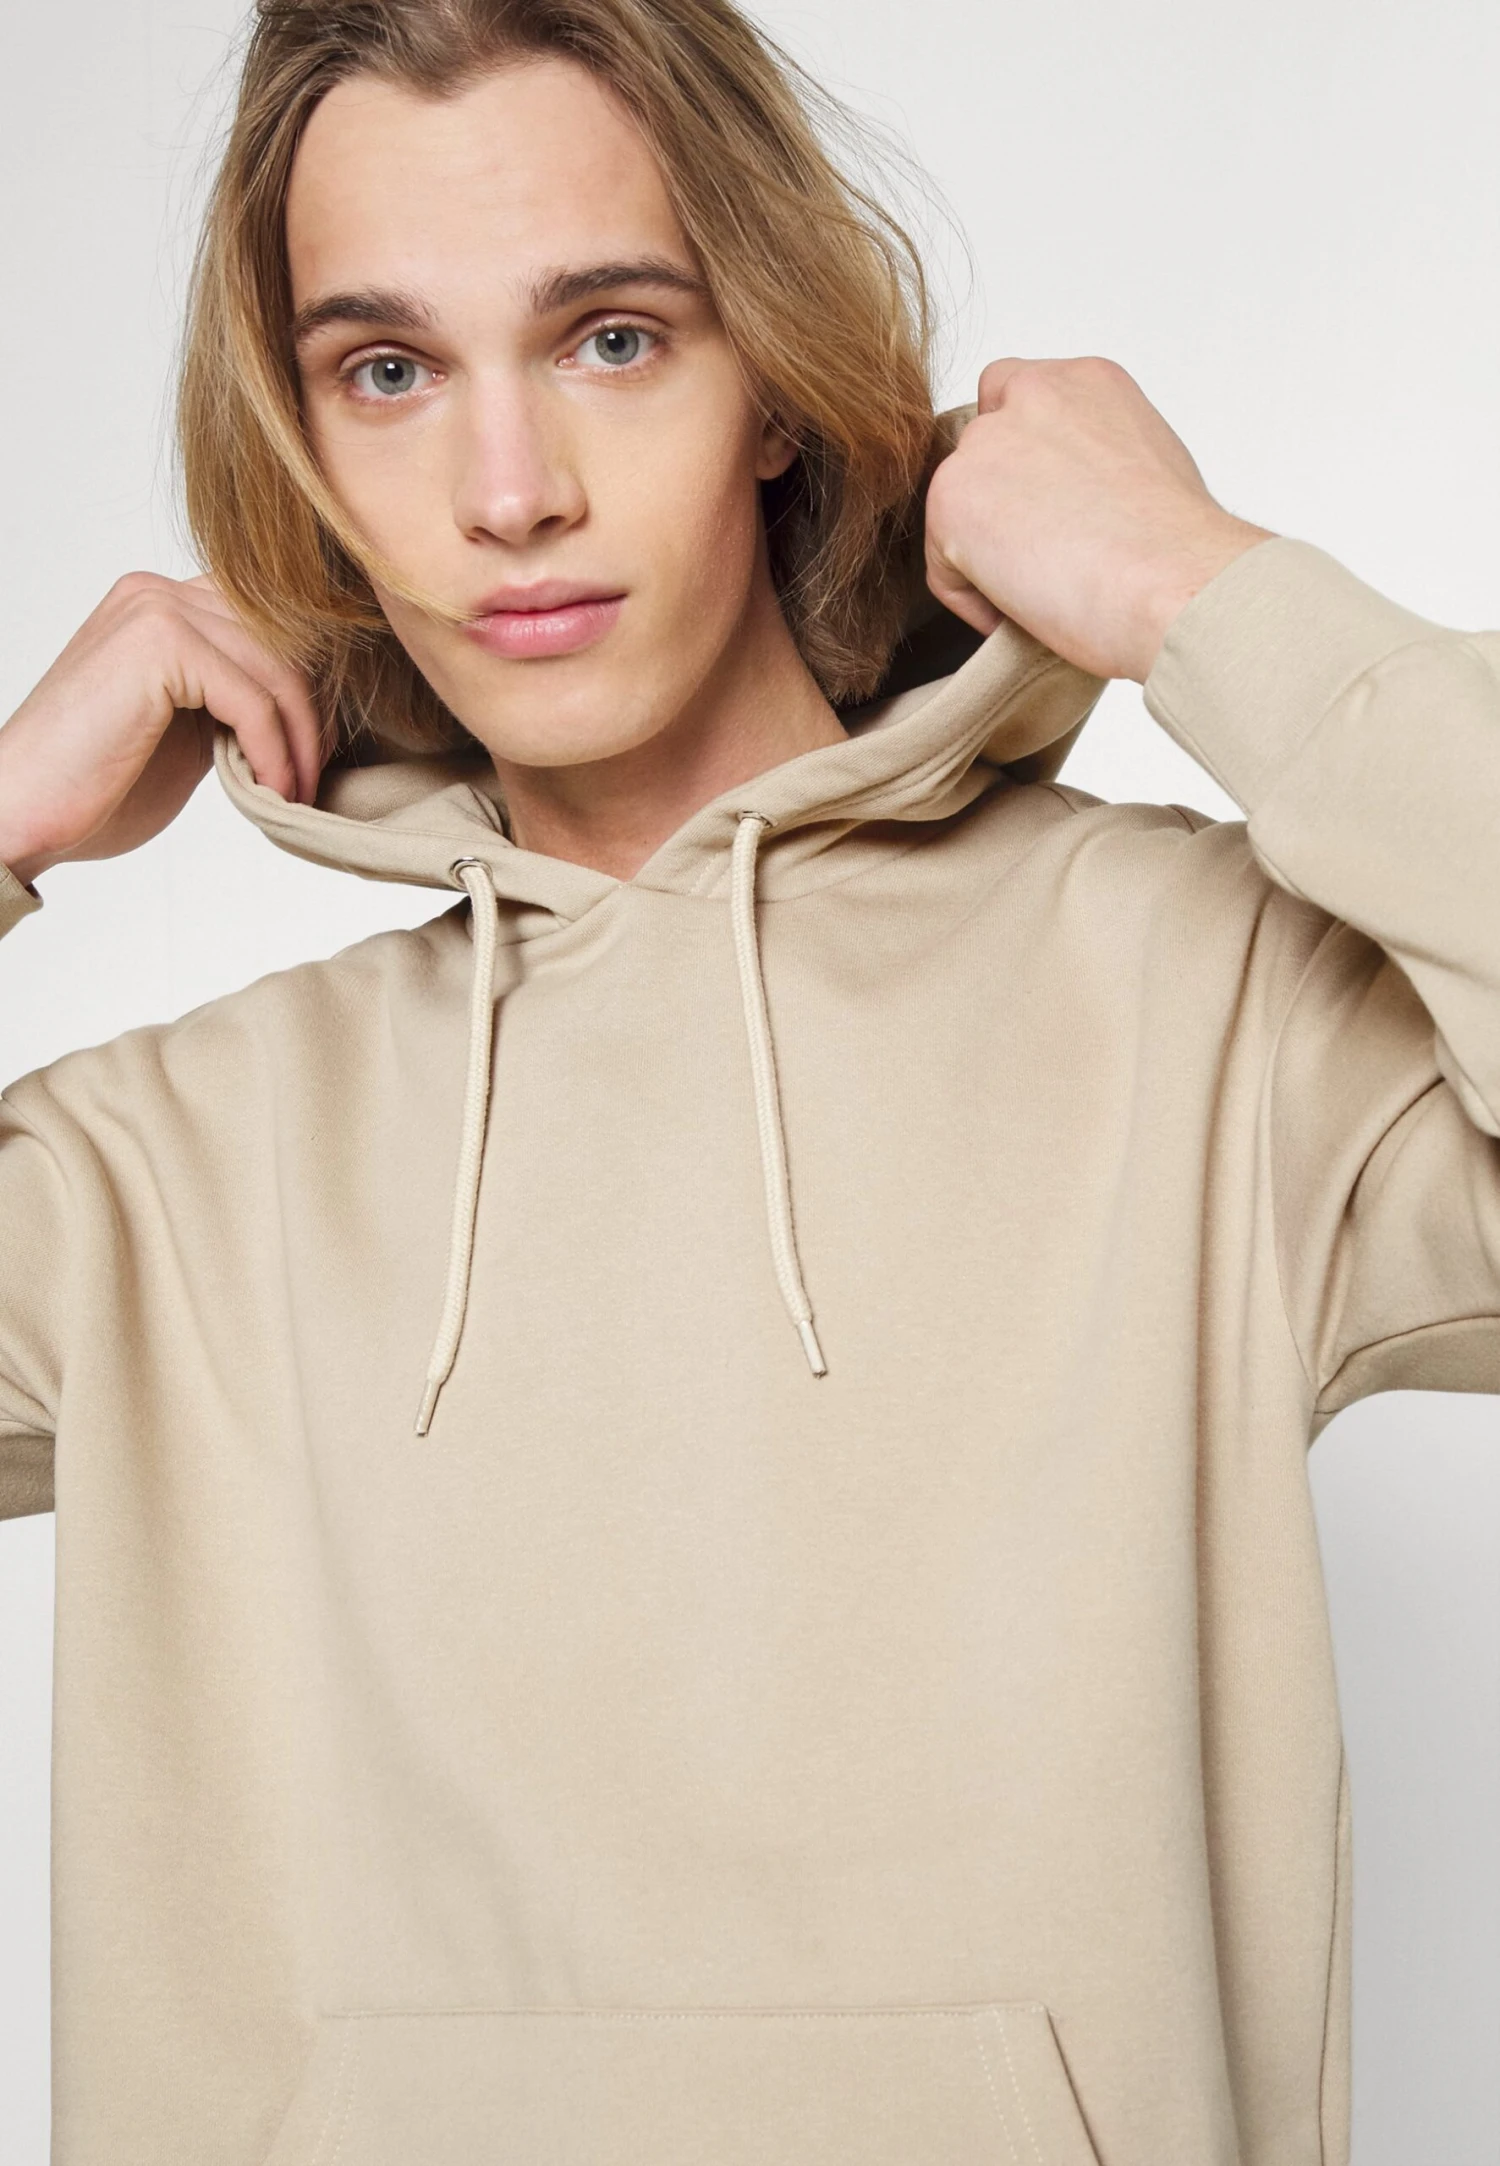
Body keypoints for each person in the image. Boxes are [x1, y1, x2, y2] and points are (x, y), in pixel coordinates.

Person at [0, 1, 1494, 2161]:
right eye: (388, 371)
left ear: (773, 383)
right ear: (303, 442)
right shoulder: (161, 1177)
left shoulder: (1211, 1014)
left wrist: (1205, 591)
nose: (509, 494)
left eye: (611, 337)